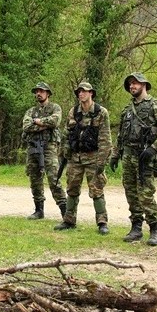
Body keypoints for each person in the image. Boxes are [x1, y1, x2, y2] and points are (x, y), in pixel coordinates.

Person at [109, 72, 157, 246]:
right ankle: (136, 227)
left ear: (144, 85)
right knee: (130, 192)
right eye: (130, 83)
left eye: (135, 83)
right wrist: (115, 155)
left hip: (145, 156)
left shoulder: (156, 105)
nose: (132, 86)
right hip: (128, 155)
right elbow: (121, 135)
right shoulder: (127, 110)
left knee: (146, 193)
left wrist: (154, 149)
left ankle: (154, 229)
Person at [55, 82, 112, 234]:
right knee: (72, 188)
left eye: (84, 91)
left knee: (96, 189)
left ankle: (102, 222)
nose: (81, 94)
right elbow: (67, 134)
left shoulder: (101, 112)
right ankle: (69, 220)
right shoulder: (73, 112)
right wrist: (64, 153)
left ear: (91, 93)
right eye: (79, 91)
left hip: (93, 157)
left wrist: (102, 161)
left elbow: (105, 139)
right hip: (75, 158)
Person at [22, 82, 67, 219]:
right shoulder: (31, 111)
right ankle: (39, 210)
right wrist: (41, 125)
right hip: (33, 146)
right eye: (37, 91)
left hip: (49, 147)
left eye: (41, 91)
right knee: (34, 178)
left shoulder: (55, 107)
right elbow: (26, 126)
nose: (38, 94)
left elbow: (55, 122)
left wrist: (37, 122)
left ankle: (65, 211)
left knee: (54, 178)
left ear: (48, 93)